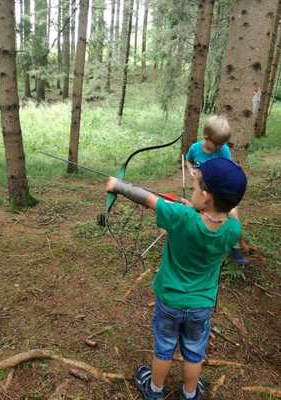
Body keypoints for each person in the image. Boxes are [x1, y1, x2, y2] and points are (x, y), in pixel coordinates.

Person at [106, 158, 247, 400]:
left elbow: (148, 199)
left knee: (164, 347)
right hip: (201, 305)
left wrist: (118, 185)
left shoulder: (181, 216)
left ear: (205, 197)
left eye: (196, 189)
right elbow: (225, 214)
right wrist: (199, 204)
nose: (192, 192)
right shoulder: (233, 229)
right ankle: (190, 393)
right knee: (194, 351)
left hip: (170, 300)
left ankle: (155, 390)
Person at [185, 114, 248, 266]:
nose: (220, 147)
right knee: (193, 211)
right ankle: (195, 244)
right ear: (206, 138)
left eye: (222, 144)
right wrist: (191, 169)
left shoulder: (223, 150)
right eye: (217, 144)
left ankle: (236, 245)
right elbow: (188, 160)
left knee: (231, 212)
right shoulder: (195, 148)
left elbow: (226, 170)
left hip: (218, 191)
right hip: (202, 189)